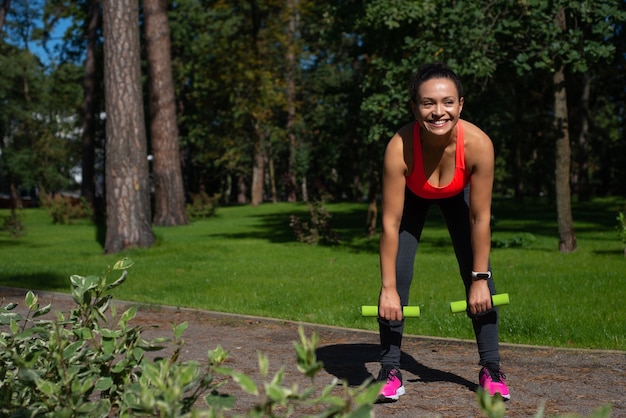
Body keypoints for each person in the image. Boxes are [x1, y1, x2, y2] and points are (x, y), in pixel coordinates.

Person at [375, 62, 510, 402]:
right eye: (428, 103)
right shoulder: (399, 147)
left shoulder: (478, 144)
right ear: (415, 107)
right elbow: (390, 223)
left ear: (460, 104)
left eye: (448, 102)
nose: (439, 112)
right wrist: (387, 288)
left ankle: (491, 368)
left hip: (457, 194)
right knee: (398, 274)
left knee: (479, 270)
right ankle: (390, 369)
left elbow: (480, 218)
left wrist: (479, 279)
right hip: (413, 194)